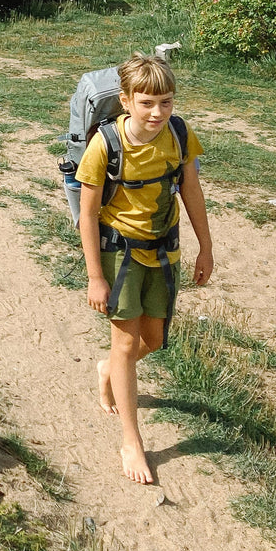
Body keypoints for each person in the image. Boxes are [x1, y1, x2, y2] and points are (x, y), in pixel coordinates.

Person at [76, 52, 213, 485]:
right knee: (125, 340)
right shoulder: (106, 145)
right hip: (120, 255)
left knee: (153, 339)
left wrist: (205, 248)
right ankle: (131, 440)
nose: (157, 113)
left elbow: (191, 190)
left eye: (166, 102)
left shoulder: (178, 133)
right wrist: (95, 276)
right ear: (127, 100)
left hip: (165, 251)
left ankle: (109, 371)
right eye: (148, 103)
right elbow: (88, 213)